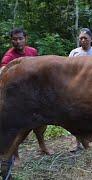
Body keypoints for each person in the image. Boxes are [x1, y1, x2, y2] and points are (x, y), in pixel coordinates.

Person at [1, 28, 53, 163]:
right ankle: (15, 154)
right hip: (17, 97)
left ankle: (42, 146)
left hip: (34, 94)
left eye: (20, 38)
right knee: (17, 126)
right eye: (14, 39)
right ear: (11, 40)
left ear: (25, 39)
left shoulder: (32, 52)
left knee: (40, 123)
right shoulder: (8, 57)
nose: (17, 41)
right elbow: (3, 75)